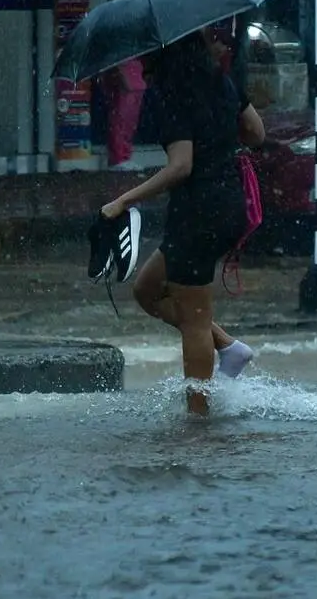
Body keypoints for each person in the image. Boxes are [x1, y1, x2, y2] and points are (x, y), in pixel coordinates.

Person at [97, 26, 267, 416]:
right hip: (229, 203)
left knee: (194, 322)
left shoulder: (171, 91)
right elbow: (257, 133)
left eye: (144, 51)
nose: (139, 59)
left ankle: (198, 418)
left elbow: (180, 166)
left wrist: (123, 200)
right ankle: (229, 348)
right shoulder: (220, 79)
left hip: (198, 212)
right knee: (147, 290)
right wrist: (219, 137)